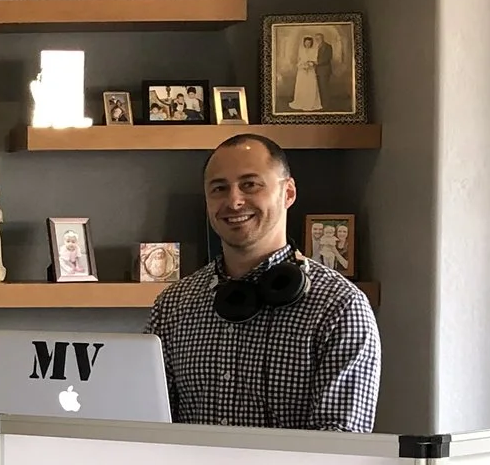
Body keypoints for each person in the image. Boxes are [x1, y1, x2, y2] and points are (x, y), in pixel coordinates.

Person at [145, 133, 380, 430]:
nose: (234, 201)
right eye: (219, 188)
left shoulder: (340, 306)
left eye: (250, 184)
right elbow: (150, 424)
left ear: (288, 193)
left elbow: (339, 447)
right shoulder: (173, 305)